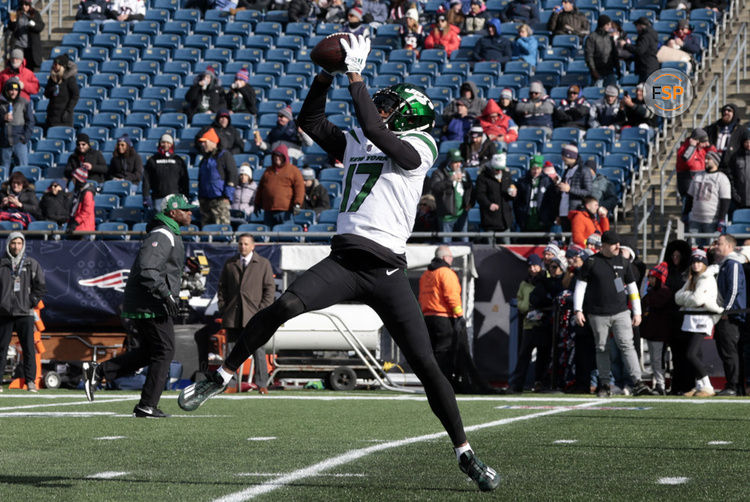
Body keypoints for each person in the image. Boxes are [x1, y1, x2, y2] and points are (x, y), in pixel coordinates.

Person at [178, 34, 500, 492]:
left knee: (426, 365)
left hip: (387, 271)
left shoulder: (421, 148)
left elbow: (376, 130)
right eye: (382, 105)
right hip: (346, 260)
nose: (382, 110)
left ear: (407, 115)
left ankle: (465, 452)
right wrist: (325, 74)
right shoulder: (357, 141)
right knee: (286, 306)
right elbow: (312, 119)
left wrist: (355, 76)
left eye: (391, 107)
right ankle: (222, 374)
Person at [83, 194, 196, 417]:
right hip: (150, 304)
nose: (190, 212)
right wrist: (166, 295)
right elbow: (147, 269)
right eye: (185, 209)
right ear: (172, 213)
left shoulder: (168, 232)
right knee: (164, 350)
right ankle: (147, 404)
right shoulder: (163, 234)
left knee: (151, 351)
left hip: (149, 302)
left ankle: (99, 372)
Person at [573, 230, 651, 397]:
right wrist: (578, 309)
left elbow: (632, 288)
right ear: (604, 245)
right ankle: (605, 384)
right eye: (614, 244)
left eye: (618, 243)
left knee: (627, 346)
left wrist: (637, 312)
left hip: (621, 312)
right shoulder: (592, 262)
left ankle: (637, 382)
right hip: (597, 314)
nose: (618, 246)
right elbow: (580, 286)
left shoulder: (623, 262)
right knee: (602, 348)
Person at [216, 234, 275, 393]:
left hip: (255, 316)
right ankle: (231, 384)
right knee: (231, 352)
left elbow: (269, 289)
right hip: (233, 316)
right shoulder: (230, 264)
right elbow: (222, 288)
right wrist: (223, 307)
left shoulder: (263, 264)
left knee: (259, 352)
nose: (243, 246)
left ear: (253, 246)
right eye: (241, 244)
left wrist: (262, 310)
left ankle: (262, 384)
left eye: (246, 244)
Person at [0, 232, 45, 392]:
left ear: (23, 245)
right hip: (4, 313)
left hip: (25, 313)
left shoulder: (31, 264)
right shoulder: (1, 263)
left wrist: (30, 301)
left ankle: (31, 381)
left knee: (28, 348)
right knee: (1, 348)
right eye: (14, 243)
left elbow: (40, 287)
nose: (16, 246)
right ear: (8, 244)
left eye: (19, 243)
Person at [674, 249, 722, 397]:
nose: (696, 265)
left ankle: (708, 386)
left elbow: (698, 300)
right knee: (697, 355)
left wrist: (688, 298)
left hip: (702, 319)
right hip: (691, 319)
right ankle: (699, 385)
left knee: (691, 354)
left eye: (699, 262)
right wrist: (690, 297)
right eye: (694, 262)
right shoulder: (692, 278)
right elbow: (677, 297)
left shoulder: (707, 278)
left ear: (705, 264)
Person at [509, 253, 556, 392]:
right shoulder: (524, 283)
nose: (533, 269)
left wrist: (542, 309)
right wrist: (529, 307)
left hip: (544, 324)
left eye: (535, 266)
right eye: (530, 266)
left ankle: (540, 383)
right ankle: (517, 385)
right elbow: (520, 303)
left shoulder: (546, 280)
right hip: (529, 324)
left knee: (543, 356)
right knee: (524, 355)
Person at [419, 246, 464, 382]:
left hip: (427, 317)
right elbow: (452, 296)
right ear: (445, 258)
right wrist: (459, 315)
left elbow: (422, 297)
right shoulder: (446, 273)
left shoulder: (426, 274)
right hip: (443, 318)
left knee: (431, 352)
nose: (451, 260)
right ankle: (443, 383)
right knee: (444, 352)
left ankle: (431, 382)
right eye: (450, 257)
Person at [711, 234, 747, 396]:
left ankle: (733, 385)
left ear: (729, 247)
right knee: (725, 350)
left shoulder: (732, 264)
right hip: (725, 314)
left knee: (729, 351)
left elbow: (734, 289)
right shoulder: (723, 264)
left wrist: (727, 310)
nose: (716, 246)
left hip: (730, 316)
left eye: (719, 243)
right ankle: (733, 384)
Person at [684, 150, 730, 245]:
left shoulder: (722, 178)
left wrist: (721, 219)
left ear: (715, 161)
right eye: (705, 159)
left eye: (708, 159)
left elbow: (725, 201)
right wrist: (685, 212)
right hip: (695, 219)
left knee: (711, 249)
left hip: (711, 220)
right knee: (693, 248)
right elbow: (689, 197)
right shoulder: (698, 176)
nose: (705, 161)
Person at [640, 262, 672, 395]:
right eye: (650, 278)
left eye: (654, 278)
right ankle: (659, 383)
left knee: (658, 359)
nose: (651, 280)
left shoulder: (664, 292)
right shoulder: (651, 292)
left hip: (660, 332)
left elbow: (655, 303)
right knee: (654, 359)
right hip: (652, 331)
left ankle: (661, 384)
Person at [254, 144, 305, 228]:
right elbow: (261, 188)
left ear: (284, 157)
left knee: (285, 236)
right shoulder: (268, 171)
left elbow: (299, 188)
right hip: (269, 210)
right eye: (275, 156)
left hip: (285, 211)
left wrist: (297, 203)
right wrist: (257, 203)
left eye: (280, 156)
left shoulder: (293, 170)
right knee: (268, 237)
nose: (277, 158)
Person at [430, 149, 473, 242]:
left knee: (465, 243)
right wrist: (450, 180)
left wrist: (470, 203)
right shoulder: (438, 173)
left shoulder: (464, 172)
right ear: (449, 162)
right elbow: (435, 188)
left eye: (460, 162)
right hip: (446, 216)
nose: (458, 165)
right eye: (455, 162)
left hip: (462, 214)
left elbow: (470, 188)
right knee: (446, 245)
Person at [197, 127, 238, 226]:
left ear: (213, 142)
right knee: (206, 228)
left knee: (221, 227)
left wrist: (227, 196)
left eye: (205, 142)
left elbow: (232, 175)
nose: (202, 145)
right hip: (205, 201)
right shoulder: (204, 159)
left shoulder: (224, 156)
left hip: (220, 200)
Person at [143, 134, 190, 212]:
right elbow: (146, 180)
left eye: (168, 143)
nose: (165, 145)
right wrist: (146, 196)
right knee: (161, 223)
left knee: (173, 223)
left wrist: (185, 197)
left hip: (175, 198)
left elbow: (184, 181)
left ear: (172, 145)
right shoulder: (152, 160)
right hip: (158, 198)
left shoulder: (178, 160)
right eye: (163, 142)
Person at [514, 154, 557, 232]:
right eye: (534, 168)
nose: (536, 171)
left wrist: (549, 217)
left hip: (543, 220)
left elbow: (552, 201)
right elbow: (517, 201)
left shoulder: (547, 181)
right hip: (526, 220)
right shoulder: (522, 181)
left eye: (538, 168)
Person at [475, 153, 515, 233]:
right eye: (497, 169)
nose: (499, 171)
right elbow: (480, 195)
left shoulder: (506, 175)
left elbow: (509, 194)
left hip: (505, 219)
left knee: (506, 244)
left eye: (501, 169)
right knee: (490, 244)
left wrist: (512, 194)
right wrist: (489, 204)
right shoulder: (483, 177)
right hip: (490, 219)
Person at [557, 143, 592, 230]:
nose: (562, 158)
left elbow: (588, 192)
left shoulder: (584, 171)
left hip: (576, 211)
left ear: (570, 156)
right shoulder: (566, 171)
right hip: (564, 212)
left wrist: (569, 189)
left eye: (564, 156)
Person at [0, 79, 33, 170]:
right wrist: (3, 118)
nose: (13, 92)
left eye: (16, 90)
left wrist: (24, 138)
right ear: (6, 90)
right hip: (4, 143)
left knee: (22, 169)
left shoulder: (24, 102)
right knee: (3, 171)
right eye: (11, 89)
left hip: (19, 142)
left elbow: (30, 122)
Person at [8, 0, 45, 72]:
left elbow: (41, 26)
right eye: (22, 4)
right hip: (19, 45)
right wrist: (12, 20)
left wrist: (34, 25)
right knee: (18, 68)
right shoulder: (15, 13)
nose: (24, 6)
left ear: (29, 5)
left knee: (30, 69)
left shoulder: (35, 13)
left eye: (26, 4)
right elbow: (11, 27)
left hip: (31, 47)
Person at [706, 104, 745, 172]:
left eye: (729, 111)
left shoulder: (741, 130)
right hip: (715, 164)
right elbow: (700, 133)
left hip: (732, 167)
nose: (726, 112)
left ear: (734, 114)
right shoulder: (715, 127)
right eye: (724, 110)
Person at [44, 54, 79, 129]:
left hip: (64, 116)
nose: (55, 66)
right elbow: (46, 94)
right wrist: (52, 86)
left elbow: (75, 95)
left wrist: (68, 110)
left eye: (57, 64)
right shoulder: (52, 78)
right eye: (54, 64)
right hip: (52, 115)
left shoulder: (70, 79)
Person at [676, 127, 713, 198]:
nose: (707, 144)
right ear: (697, 141)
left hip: (700, 188)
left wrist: (710, 147)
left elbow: (714, 156)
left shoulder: (701, 150)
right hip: (688, 189)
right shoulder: (684, 150)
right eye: (704, 142)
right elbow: (688, 161)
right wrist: (692, 146)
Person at [620, 17, 659, 83]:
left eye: (637, 26)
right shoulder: (651, 34)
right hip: (650, 67)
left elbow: (640, 50)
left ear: (641, 26)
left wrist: (625, 45)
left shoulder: (645, 36)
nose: (636, 29)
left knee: (645, 90)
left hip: (646, 68)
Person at [585, 14, 618, 88]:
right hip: (598, 73)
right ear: (602, 24)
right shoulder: (592, 37)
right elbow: (589, 55)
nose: (610, 27)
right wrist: (593, 70)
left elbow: (614, 54)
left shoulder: (609, 37)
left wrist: (617, 68)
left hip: (610, 71)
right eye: (608, 24)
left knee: (612, 92)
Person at [66, 163, 96, 234]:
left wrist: (76, 222)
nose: (72, 181)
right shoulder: (77, 192)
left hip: (84, 229)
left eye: (74, 178)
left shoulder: (87, 193)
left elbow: (86, 211)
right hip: (76, 227)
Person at [729, 128, 750, 209]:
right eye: (746, 142)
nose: (748, 144)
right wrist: (735, 195)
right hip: (740, 200)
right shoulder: (735, 157)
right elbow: (731, 177)